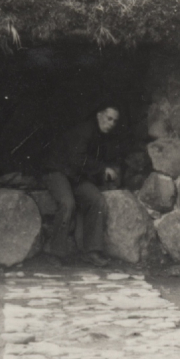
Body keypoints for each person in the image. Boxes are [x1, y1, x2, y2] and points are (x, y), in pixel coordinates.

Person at [42, 105, 123, 265]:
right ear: (99, 115)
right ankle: (54, 252)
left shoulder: (102, 136)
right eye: (109, 118)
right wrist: (102, 169)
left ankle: (91, 252)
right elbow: (77, 160)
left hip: (75, 176)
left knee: (97, 200)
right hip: (57, 172)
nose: (112, 123)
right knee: (67, 203)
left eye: (115, 120)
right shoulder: (85, 130)